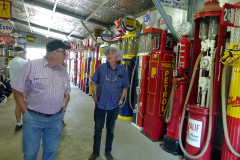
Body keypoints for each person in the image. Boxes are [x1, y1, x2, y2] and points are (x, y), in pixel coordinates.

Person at [12, 40, 71, 160]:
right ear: (54, 52)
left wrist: (63, 110)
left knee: (51, 152)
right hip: (34, 118)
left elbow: (67, 92)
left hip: (56, 119)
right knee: (30, 153)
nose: (66, 55)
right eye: (64, 52)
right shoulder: (32, 65)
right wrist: (25, 113)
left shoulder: (63, 70)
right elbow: (17, 89)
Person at [88, 44, 130, 160]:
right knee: (98, 129)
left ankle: (108, 152)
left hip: (114, 105)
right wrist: (95, 96)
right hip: (100, 104)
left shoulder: (122, 70)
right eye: (108, 54)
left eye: (112, 53)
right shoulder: (101, 67)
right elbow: (94, 82)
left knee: (110, 130)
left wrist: (121, 100)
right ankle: (95, 152)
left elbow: (125, 87)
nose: (109, 55)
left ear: (117, 56)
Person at [8, 46, 28, 131]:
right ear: (20, 53)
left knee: (18, 104)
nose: (24, 55)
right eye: (23, 54)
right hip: (24, 86)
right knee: (27, 104)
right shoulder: (24, 62)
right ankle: (27, 122)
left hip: (14, 86)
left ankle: (18, 123)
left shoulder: (11, 62)